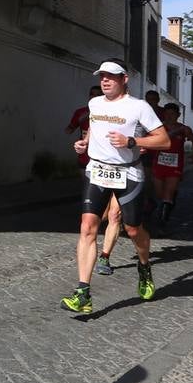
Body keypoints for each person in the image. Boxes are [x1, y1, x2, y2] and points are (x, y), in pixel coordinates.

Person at [63, 60, 171, 314]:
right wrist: (85, 144)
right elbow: (94, 128)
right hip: (97, 170)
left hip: (128, 174)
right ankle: (83, 293)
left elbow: (164, 140)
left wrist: (131, 140)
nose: (105, 81)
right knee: (88, 227)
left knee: (133, 230)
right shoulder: (95, 103)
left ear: (124, 79)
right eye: (102, 77)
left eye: (111, 76)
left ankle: (144, 266)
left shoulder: (139, 107)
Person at [67, 87, 124, 275]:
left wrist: (135, 144)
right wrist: (82, 143)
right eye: (92, 95)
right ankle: (83, 284)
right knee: (95, 219)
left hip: (122, 169)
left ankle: (105, 257)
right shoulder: (90, 115)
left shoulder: (129, 112)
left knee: (115, 215)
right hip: (96, 167)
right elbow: (78, 131)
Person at [152, 103, 193, 226]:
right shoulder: (158, 127)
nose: (169, 117)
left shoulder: (184, 129)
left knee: (168, 194)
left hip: (175, 166)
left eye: (172, 114)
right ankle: (168, 203)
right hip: (159, 164)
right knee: (159, 193)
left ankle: (163, 223)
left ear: (178, 115)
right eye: (167, 114)